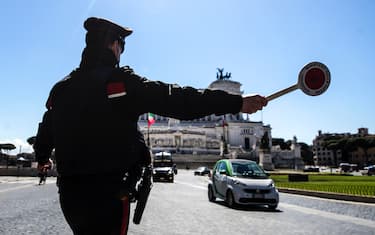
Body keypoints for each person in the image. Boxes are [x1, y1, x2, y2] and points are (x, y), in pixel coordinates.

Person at [33, 17, 268, 235]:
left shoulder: (61, 89)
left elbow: (46, 128)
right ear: (113, 45)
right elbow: (177, 99)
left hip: (70, 193)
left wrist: (43, 157)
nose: (121, 52)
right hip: (110, 191)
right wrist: (236, 102)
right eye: (121, 46)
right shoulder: (119, 83)